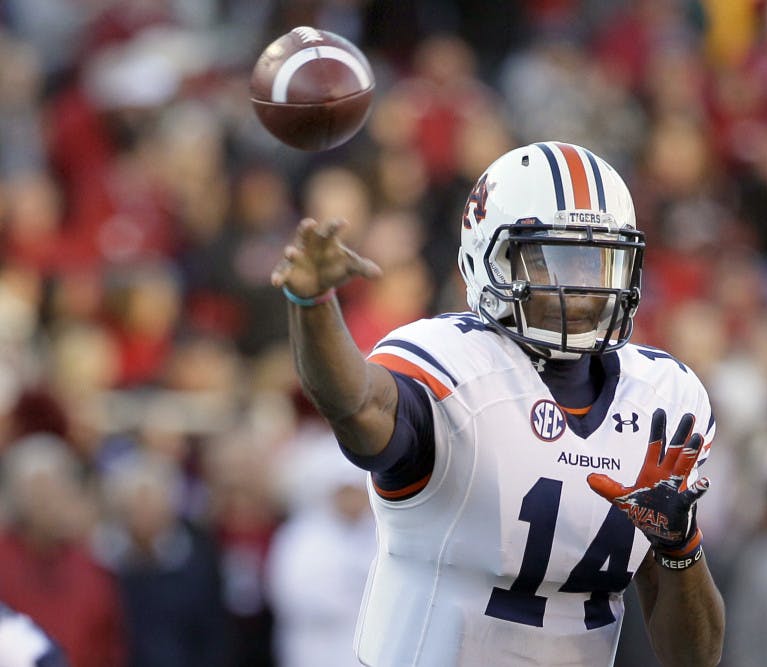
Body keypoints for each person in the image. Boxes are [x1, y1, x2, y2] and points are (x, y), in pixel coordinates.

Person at [270, 141, 725, 666]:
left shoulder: (663, 400)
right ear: (487, 257)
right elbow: (356, 405)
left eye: (597, 259)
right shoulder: (454, 367)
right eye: (551, 259)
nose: (580, 287)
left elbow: (694, 659)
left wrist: (678, 548)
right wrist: (314, 306)